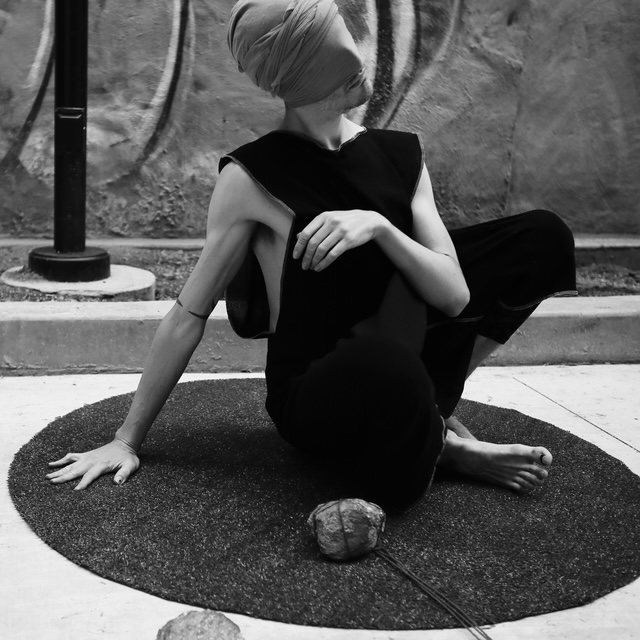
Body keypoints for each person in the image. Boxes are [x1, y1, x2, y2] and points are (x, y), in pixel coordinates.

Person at [47, 0, 576, 510]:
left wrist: (379, 228)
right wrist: (126, 439)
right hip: (320, 390)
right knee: (387, 365)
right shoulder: (252, 177)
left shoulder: (400, 155)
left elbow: (455, 295)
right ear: (302, 79)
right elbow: (189, 314)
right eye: (340, 63)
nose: (361, 63)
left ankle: (432, 408)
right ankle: (439, 444)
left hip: (407, 349)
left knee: (542, 237)